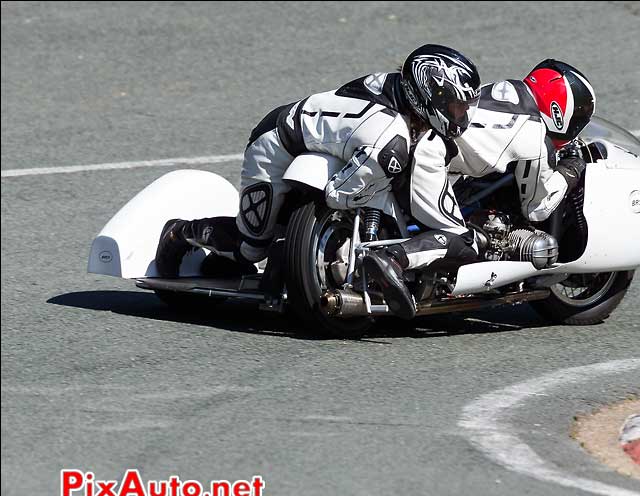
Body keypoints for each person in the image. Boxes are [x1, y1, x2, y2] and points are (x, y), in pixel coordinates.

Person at [156, 44, 482, 320]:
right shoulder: (390, 134)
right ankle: (180, 233)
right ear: (428, 95)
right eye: (454, 105)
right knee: (250, 249)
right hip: (275, 145)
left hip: (330, 150)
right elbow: (340, 196)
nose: (460, 115)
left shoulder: (398, 93)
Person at [366, 59, 596, 319]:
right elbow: (538, 208)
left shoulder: (503, 90)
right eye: (577, 118)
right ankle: (395, 259)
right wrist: (570, 170)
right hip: (430, 156)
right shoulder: (534, 135)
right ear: (559, 111)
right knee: (465, 242)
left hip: (416, 140)